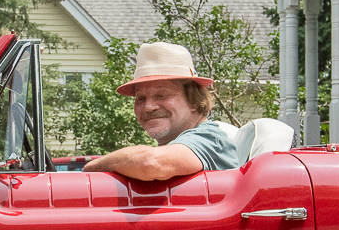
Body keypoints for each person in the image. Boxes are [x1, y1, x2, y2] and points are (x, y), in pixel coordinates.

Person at [83, 42, 239, 180]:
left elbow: (151, 163)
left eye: (161, 95)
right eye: (141, 98)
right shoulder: (177, 146)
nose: (148, 107)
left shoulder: (209, 139)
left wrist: (91, 168)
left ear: (192, 99)